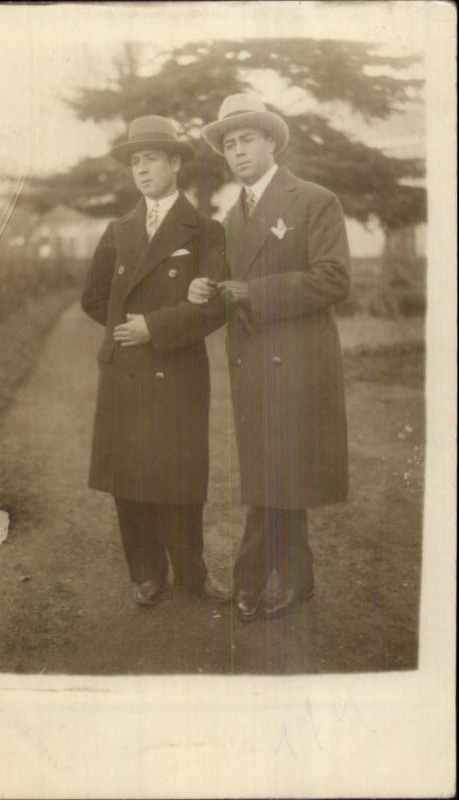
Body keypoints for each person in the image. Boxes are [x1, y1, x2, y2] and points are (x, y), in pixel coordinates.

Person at [190, 93, 350, 621]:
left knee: (277, 474)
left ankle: (250, 578)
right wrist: (201, 294)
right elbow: (228, 289)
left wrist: (253, 293)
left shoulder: (313, 200)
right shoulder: (231, 219)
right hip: (252, 363)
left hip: (299, 364)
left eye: (247, 140)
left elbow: (333, 279)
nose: (237, 152)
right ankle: (299, 581)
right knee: (277, 473)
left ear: (271, 142)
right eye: (229, 144)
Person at [81, 115, 229, 608]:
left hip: (178, 369)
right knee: (130, 478)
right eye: (135, 162)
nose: (141, 170)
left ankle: (191, 573)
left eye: (151, 159)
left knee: (179, 476)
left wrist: (154, 328)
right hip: (126, 370)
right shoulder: (119, 229)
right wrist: (127, 330)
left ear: (175, 163)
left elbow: (215, 306)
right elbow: (93, 298)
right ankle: (145, 573)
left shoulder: (205, 229)